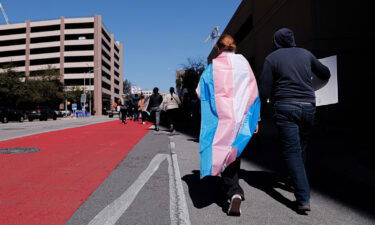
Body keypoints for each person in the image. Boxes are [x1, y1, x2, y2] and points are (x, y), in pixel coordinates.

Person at [259, 28, 331, 213]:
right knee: (302, 146)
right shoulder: (306, 54)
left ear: (276, 41)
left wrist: (265, 106)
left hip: (285, 107)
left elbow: (264, 90)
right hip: (308, 106)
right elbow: (325, 73)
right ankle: (295, 180)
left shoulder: (271, 58)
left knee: (292, 151)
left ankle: (303, 197)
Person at [196, 34, 260, 216]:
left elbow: (201, 93)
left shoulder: (212, 68)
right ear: (235, 47)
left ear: (218, 49)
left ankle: (234, 192)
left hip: (221, 119)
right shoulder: (245, 65)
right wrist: (256, 118)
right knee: (235, 151)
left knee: (224, 152)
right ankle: (234, 190)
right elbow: (254, 93)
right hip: (242, 118)